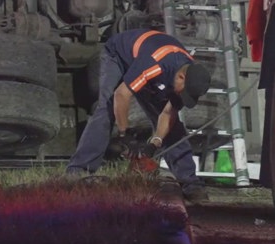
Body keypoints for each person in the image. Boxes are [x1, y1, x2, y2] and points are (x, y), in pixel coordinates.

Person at [67, 28, 212, 204]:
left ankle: (190, 183)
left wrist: (154, 143)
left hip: (150, 68)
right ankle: (78, 172)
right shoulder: (155, 65)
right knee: (106, 109)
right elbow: (122, 95)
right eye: (184, 92)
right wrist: (124, 135)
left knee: (174, 128)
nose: (184, 97)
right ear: (181, 77)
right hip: (119, 57)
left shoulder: (189, 77)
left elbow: (167, 113)